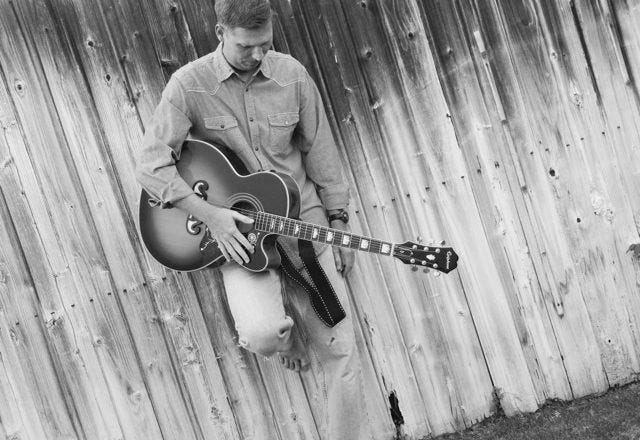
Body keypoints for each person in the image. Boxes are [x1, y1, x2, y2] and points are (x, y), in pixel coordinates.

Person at [135, 0, 371, 438]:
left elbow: (321, 152)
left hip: (302, 233)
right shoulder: (189, 85)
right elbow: (151, 166)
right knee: (262, 334)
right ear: (220, 32)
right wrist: (211, 216)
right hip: (239, 241)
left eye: (266, 43)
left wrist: (339, 220)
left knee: (341, 352)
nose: (259, 55)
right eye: (247, 46)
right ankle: (288, 337)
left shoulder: (292, 75)